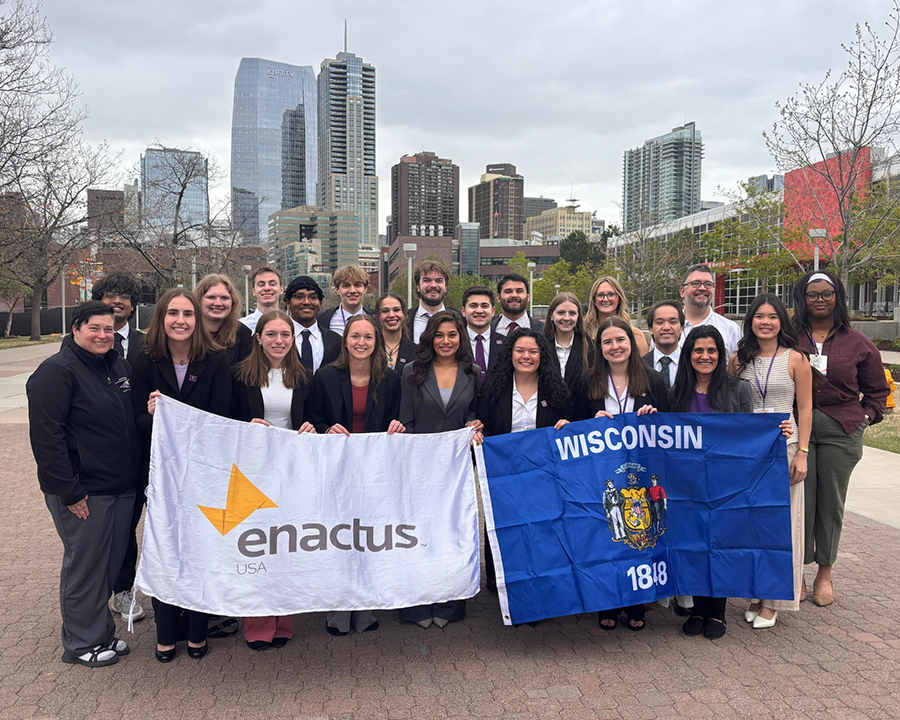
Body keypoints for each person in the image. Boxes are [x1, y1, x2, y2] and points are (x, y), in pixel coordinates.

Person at [27, 301, 139, 667]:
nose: (103, 335)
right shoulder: (56, 372)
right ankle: (80, 643)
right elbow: (47, 438)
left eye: (109, 329)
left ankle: (101, 632)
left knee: (107, 565)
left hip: (120, 486)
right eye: (95, 328)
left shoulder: (116, 365)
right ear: (76, 330)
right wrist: (69, 490)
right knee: (86, 565)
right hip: (85, 491)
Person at [131, 288, 232, 662]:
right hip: (162, 475)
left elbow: (219, 418)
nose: (181, 320)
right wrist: (156, 415)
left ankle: (197, 632)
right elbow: (136, 420)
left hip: (204, 474)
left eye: (187, 314)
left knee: (201, 551)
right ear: (162, 317)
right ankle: (166, 634)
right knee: (165, 549)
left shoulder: (216, 361)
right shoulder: (145, 361)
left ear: (196, 320)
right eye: (173, 313)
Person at [793, 270, 889, 607]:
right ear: (802, 299)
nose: (819, 300)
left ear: (838, 297)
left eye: (826, 293)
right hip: (797, 430)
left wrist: (864, 419)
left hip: (841, 429)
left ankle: (825, 572)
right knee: (799, 503)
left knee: (830, 504)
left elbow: (878, 392)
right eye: (812, 294)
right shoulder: (791, 337)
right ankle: (798, 574)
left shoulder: (858, 342)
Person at [308, 314, 403, 635]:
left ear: (377, 343)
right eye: (355, 337)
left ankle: (365, 607)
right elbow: (313, 420)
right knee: (338, 539)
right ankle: (338, 608)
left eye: (368, 338)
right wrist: (325, 428)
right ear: (345, 340)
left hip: (374, 473)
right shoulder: (324, 377)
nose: (361, 343)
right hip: (336, 473)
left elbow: (397, 420)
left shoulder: (390, 380)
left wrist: (397, 426)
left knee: (367, 540)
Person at [572, 316, 668, 632]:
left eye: (621, 340)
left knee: (637, 535)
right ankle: (608, 602)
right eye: (608, 342)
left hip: (641, 472)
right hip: (601, 474)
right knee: (606, 535)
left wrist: (654, 417)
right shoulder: (587, 381)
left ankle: (637, 603)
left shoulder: (653, 380)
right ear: (599, 348)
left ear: (632, 342)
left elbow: (669, 428)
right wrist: (590, 422)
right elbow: (570, 425)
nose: (615, 347)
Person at [393, 311, 482, 628]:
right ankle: (416, 606)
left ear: (461, 338)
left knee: (451, 536)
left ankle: (450, 605)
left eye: (453, 335)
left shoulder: (474, 373)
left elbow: (473, 415)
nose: (446, 341)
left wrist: (475, 424)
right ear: (430, 337)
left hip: (456, 472)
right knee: (417, 536)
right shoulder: (411, 372)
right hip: (418, 469)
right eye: (440, 335)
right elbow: (406, 420)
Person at [729, 293, 813, 629]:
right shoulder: (737, 360)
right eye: (759, 316)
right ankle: (756, 593)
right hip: (749, 454)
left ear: (782, 322)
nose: (766, 322)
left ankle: (776, 601)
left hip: (784, 449)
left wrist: (803, 452)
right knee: (751, 526)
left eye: (773, 316)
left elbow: (805, 408)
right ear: (750, 321)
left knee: (783, 526)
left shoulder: (796, 359)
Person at [233, 310, 316, 650]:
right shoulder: (239, 375)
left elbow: (313, 419)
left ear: (292, 339)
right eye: (271, 335)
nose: (278, 341)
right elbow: (224, 420)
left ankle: (284, 620)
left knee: (287, 546)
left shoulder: (305, 377)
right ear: (259, 337)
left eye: (285, 335)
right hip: (252, 473)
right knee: (258, 549)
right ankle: (257, 624)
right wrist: (245, 427)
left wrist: (311, 428)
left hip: (291, 472)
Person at [669, 325, 752, 640]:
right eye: (698, 351)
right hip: (687, 485)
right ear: (689, 356)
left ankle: (717, 611)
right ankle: (698, 608)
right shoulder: (677, 392)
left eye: (712, 350)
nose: (705, 356)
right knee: (693, 545)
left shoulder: (738, 389)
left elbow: (749, 433)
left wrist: (776, 432)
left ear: (720, 353)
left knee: (720, 546)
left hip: (724, 484)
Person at [477, 328, 571, 594]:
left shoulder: (555, 390)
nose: (526, 356)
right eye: (519, 350)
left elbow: (568, 424)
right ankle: (501, 582)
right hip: (503, 474)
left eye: (533, 351)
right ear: (510, 354)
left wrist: (567, 426)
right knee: (503, 526)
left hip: (544, 476)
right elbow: (484, 425)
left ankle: (541, 581)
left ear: (542, 355)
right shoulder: (494, 388)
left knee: (542, 528)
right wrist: (477, 429)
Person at [678, 265, 741, 360]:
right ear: (682, 291)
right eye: (695, 283)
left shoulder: (731, 330)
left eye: (708, 284)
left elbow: (737, 369)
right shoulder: (667, 329)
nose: (703, 288)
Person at [284, 276, 341, 373]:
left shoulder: (336, 340)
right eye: (299, 297)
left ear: (320, 303)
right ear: (288, 303)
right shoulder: (277, 339)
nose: (306, 302)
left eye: (313, 297)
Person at [195, 274, 253, 366]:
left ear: (232, 302)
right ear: (199, 300)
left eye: (224, 298)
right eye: (211, 297)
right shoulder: (187, 332)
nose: (218, 303)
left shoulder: (244, 335)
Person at [583, 276, 649, 357]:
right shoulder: (583, 333)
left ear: (619, 298)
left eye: (611, 294)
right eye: (600, 295)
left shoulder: (636, 336)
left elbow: (643, 367)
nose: (605, 299)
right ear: (594, 299)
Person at [90, 271, 145, 365]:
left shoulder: (147, 343)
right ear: (99, 302)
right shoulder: (78, 340)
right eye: (110, 295)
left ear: (132, 305)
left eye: (125, 296)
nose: (117, 301)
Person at [542, 292, 590, 395]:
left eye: (572, 313)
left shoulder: (591, 348)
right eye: (561, 313)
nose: (567, 318)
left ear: (578, 317)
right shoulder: (540, 346)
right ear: (551, 315)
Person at [317, 264, 373, 336]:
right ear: (337, 290)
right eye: (346, 286)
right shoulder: (321, 319)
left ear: (365, 289)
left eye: (357, 285)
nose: (352, 290)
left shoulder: (376, 319)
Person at [461, 284, 503, 379]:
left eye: (484, 306)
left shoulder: (506, 343)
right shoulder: (455, 342)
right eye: (473, 306)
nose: (479, 311)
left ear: (493, 311)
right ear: (463, 311)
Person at [407, 260, 453, 343]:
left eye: (439, 280)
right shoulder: (404, 320)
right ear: (418, 287)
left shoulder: (461, 320)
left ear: (446, 287)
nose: (433, 285)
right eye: (426, 280)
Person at [643, 300, 684, 392]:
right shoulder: (640, 366)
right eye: (659, 322)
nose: (666, 327)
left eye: (673, 322)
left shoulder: (693, 363)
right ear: (651, 329)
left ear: (681, 328)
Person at [376, 292, 416, 370]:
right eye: (385, 311)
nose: (391, 315)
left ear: (404, 314)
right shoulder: (371, 348)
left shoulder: (416, 351)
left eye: (396, 310)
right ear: (377, 316)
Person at [240, 266, 283, 333]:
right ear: (254, 291)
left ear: (281, 290)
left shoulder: (291, 325)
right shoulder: (241, 326)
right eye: (261, 284)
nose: (267, 288)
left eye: (272, 284)